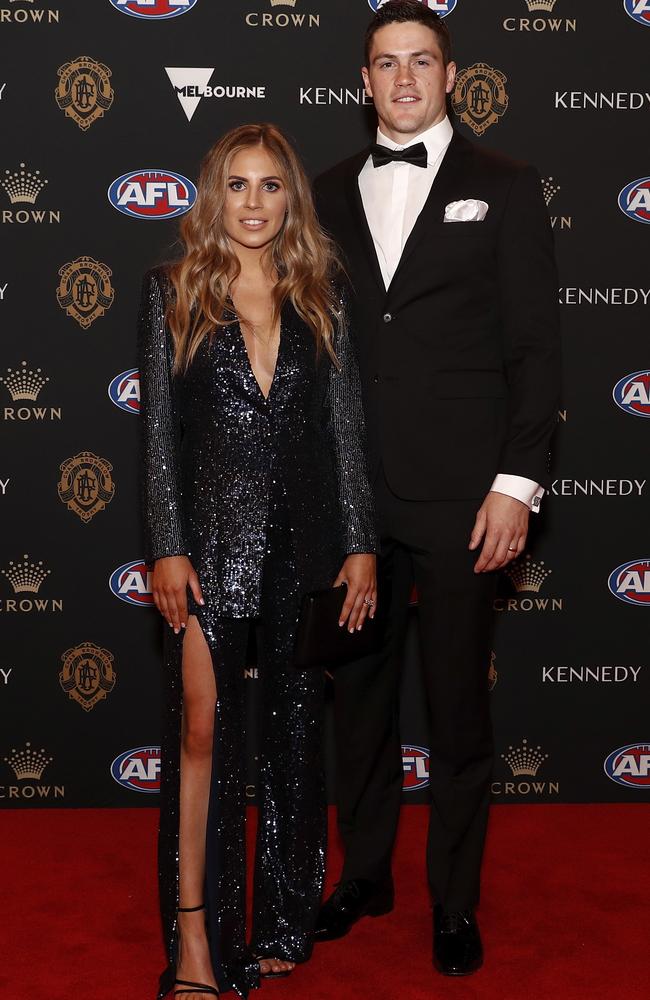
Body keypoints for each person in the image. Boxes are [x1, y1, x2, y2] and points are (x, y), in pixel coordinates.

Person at [313, 0, 561, 977]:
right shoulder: (325, 190)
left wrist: (515, 483)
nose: (404, 79)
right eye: (386, 63)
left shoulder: (506, 185)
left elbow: (536, 352)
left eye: (422, 61)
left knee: (457, 713)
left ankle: (452, 902)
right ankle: (364, 872)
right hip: (350, 498)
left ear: (450, 76)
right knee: (358, 702)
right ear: (363, 81)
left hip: (464, 499)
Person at [138, 123, 377, 999]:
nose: (252, 203)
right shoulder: (171, 291)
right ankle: (196, 941)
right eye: (237, 185)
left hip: (305, 550)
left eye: (271, 186)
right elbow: (159, 438)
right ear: (214, 196)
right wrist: (167, 545)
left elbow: (346, 429)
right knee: (202, 733)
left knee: (289, 735)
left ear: (292, 200)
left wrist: (359, 545)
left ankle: (279, 921)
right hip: (206, 549)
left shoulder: (323, 294)